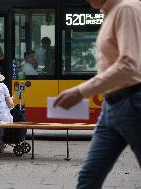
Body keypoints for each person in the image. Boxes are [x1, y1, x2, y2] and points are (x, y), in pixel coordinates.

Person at [53, 0, 141, 188]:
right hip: (112, 106)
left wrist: (80, 91)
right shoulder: (108, 12)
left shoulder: (126, 9)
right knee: (89, 175)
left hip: (133, 102)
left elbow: (129, 65)